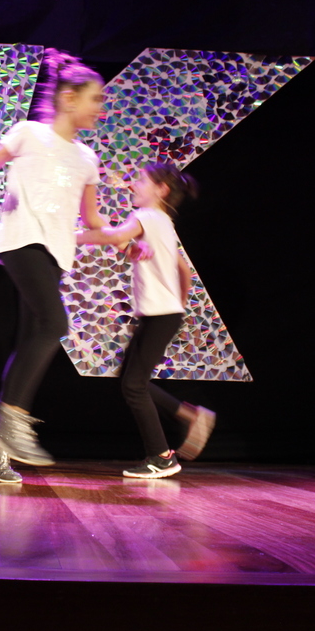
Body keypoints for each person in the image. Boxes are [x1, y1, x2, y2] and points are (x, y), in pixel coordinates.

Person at [0, 48, 108, 483]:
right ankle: (10, 422)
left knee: (35, 335)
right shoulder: (29, 133)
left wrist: (126, 237)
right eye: (96, 99)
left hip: (56, 254)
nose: (101, 108)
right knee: (54, 323)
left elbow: (92, 221)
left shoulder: (87, 159)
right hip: (21, 241)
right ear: (69, 98)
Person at [76, 161, 216, 478]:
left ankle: (162, 457)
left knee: (133, 386)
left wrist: (73, 237)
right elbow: (182, 270)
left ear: (161, 190)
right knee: (131, 381)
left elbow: (114, 235)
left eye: (141, 180)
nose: (135, 185)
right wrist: (178, 305)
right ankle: (190, 417)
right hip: (162, 314)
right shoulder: (163, 222)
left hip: (161, 314)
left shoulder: (147, 217)